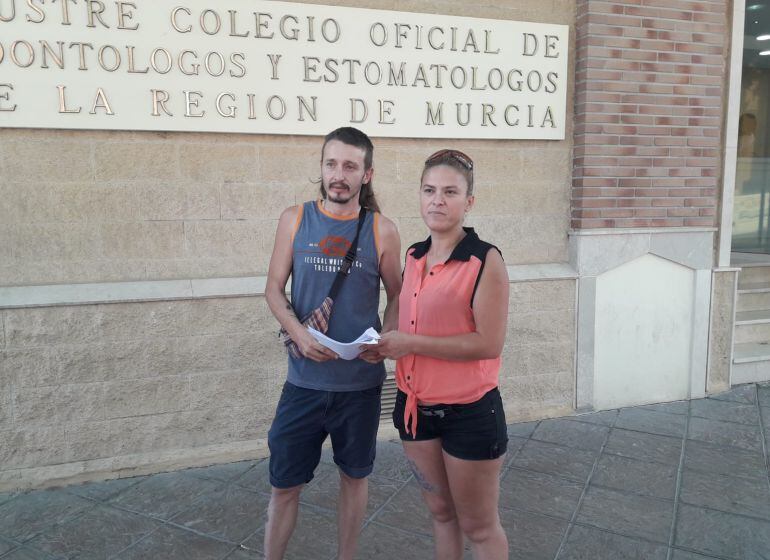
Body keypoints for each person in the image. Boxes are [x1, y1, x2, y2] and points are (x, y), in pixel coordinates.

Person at [263, 127, 401, 560]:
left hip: (359, 387)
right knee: (283, 485)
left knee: (354, 478)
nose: (338, 174)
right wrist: (299, 335)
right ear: (321, 168)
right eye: (331, 164)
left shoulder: (383, 230)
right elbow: (272, 289)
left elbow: (397, 294)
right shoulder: (295, 218)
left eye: (349, 166)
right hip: (302, 383)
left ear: (367, 174)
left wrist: (384, 340)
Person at [374, 149, 510, 560]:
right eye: (429, 190)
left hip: (469, 414)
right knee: (440, 513)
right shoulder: (414, 256)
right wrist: (383, 339)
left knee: (479, 527)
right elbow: (399, 308)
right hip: (415, 408)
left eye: (450, 192)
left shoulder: (485, 260)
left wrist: (411, 344)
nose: (437, 200)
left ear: (468, 202)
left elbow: (489, 343)